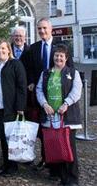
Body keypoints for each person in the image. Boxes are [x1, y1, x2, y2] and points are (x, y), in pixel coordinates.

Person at [23, 17, 74, 170]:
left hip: (58, 96)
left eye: (44, 28)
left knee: (58, 129)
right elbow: (29, 68)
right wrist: (31, 81)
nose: (42, 31)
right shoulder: (34, 48)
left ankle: (58, 161)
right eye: (39, 29)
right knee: (44, 129)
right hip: (40, 96)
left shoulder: (61, 46)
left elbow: (70, 69)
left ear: (51, 29)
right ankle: (46, 158)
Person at [36, 44, 82, 186]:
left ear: (66, 58)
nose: (58, 58)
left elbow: (76, 91)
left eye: (61, 55)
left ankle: (72, 178)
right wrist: (44, 104)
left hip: (67, 117)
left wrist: (66, 103)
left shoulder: (73, 73)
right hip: (51, 117)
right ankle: (62, 177)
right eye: (56, 55)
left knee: (69, 148)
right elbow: (39, 90)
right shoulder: (46, 73)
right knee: (57, 147)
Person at [0, 39, 27, 177]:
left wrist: (20, 106)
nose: (0, 51)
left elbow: (22, 86)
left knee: (11, 138)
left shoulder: (15, 64)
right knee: (3, 138)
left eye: (3, 48)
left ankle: (12, 167)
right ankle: (6, 164)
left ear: (9, 50)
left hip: (11, 108)